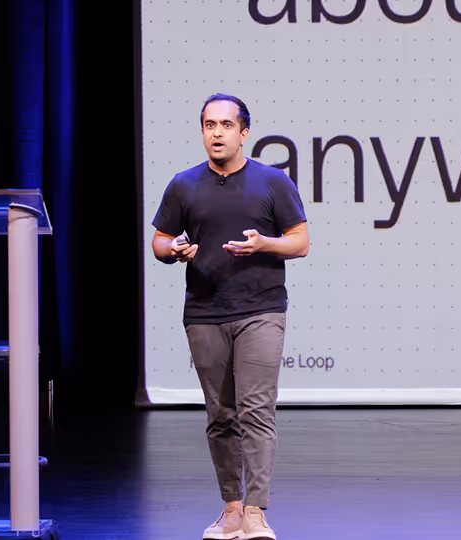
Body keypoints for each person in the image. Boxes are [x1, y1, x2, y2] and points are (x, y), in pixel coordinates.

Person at [150, 93, 309, 540]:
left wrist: (265, 244)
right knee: (221, 415)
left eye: (225, 125)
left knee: (256, 411)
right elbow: (159, 241)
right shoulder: (184, 184)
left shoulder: (272, 182)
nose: (216, 133)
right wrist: (174, 250)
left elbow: (300, 242)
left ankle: (257, 513)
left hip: (261, 309)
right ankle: (232, 510)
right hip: (204, 311)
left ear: (244, 133)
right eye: (208, 125)